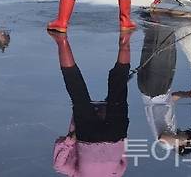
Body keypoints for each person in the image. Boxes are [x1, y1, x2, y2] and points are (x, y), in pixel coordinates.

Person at [49, 30, 131, 177]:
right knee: (77, 91)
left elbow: (122, 161)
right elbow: (58, 165)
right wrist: (68, 142)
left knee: (118, 86)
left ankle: (126, 37)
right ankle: (62, 41)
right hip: (88, 139)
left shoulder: (116, 175)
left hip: (114, 136)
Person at [137, 21, 191, 155]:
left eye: (187, 137)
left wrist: (188, 141)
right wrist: (187, 94)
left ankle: (163, 23)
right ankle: (153, 23)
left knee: (164, 52)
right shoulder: (172, 129)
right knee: (163, 52)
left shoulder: (168, 145)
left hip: (155, 91)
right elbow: (170, 99)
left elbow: (162, 139)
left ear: (182, 147)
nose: (185, 133)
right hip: (157, 90)